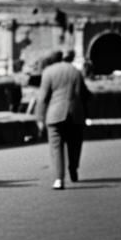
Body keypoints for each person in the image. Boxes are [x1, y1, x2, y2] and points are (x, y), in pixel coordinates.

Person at [36, 49, 91, 189]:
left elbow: (42, 98)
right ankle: (73, 168)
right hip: (75, 113)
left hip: (55, 114)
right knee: (75, 144)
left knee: (56, 147)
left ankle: (58, 179)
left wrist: (40, 118)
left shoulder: (48, 72)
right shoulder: (75, 71)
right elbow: (84, 94)